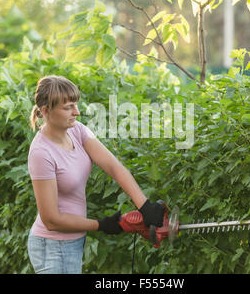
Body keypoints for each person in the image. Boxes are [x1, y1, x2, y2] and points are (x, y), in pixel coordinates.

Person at [27, 75, 164, 274]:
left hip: (72, 241)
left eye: (76, 105)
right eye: (68, 108)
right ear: (46, 111)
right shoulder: (41, 153)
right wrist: (102, 225)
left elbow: (114, 167)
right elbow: (51, 219)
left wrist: (144, 206)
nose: (77, 112)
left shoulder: (77, 131)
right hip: (52, 246)